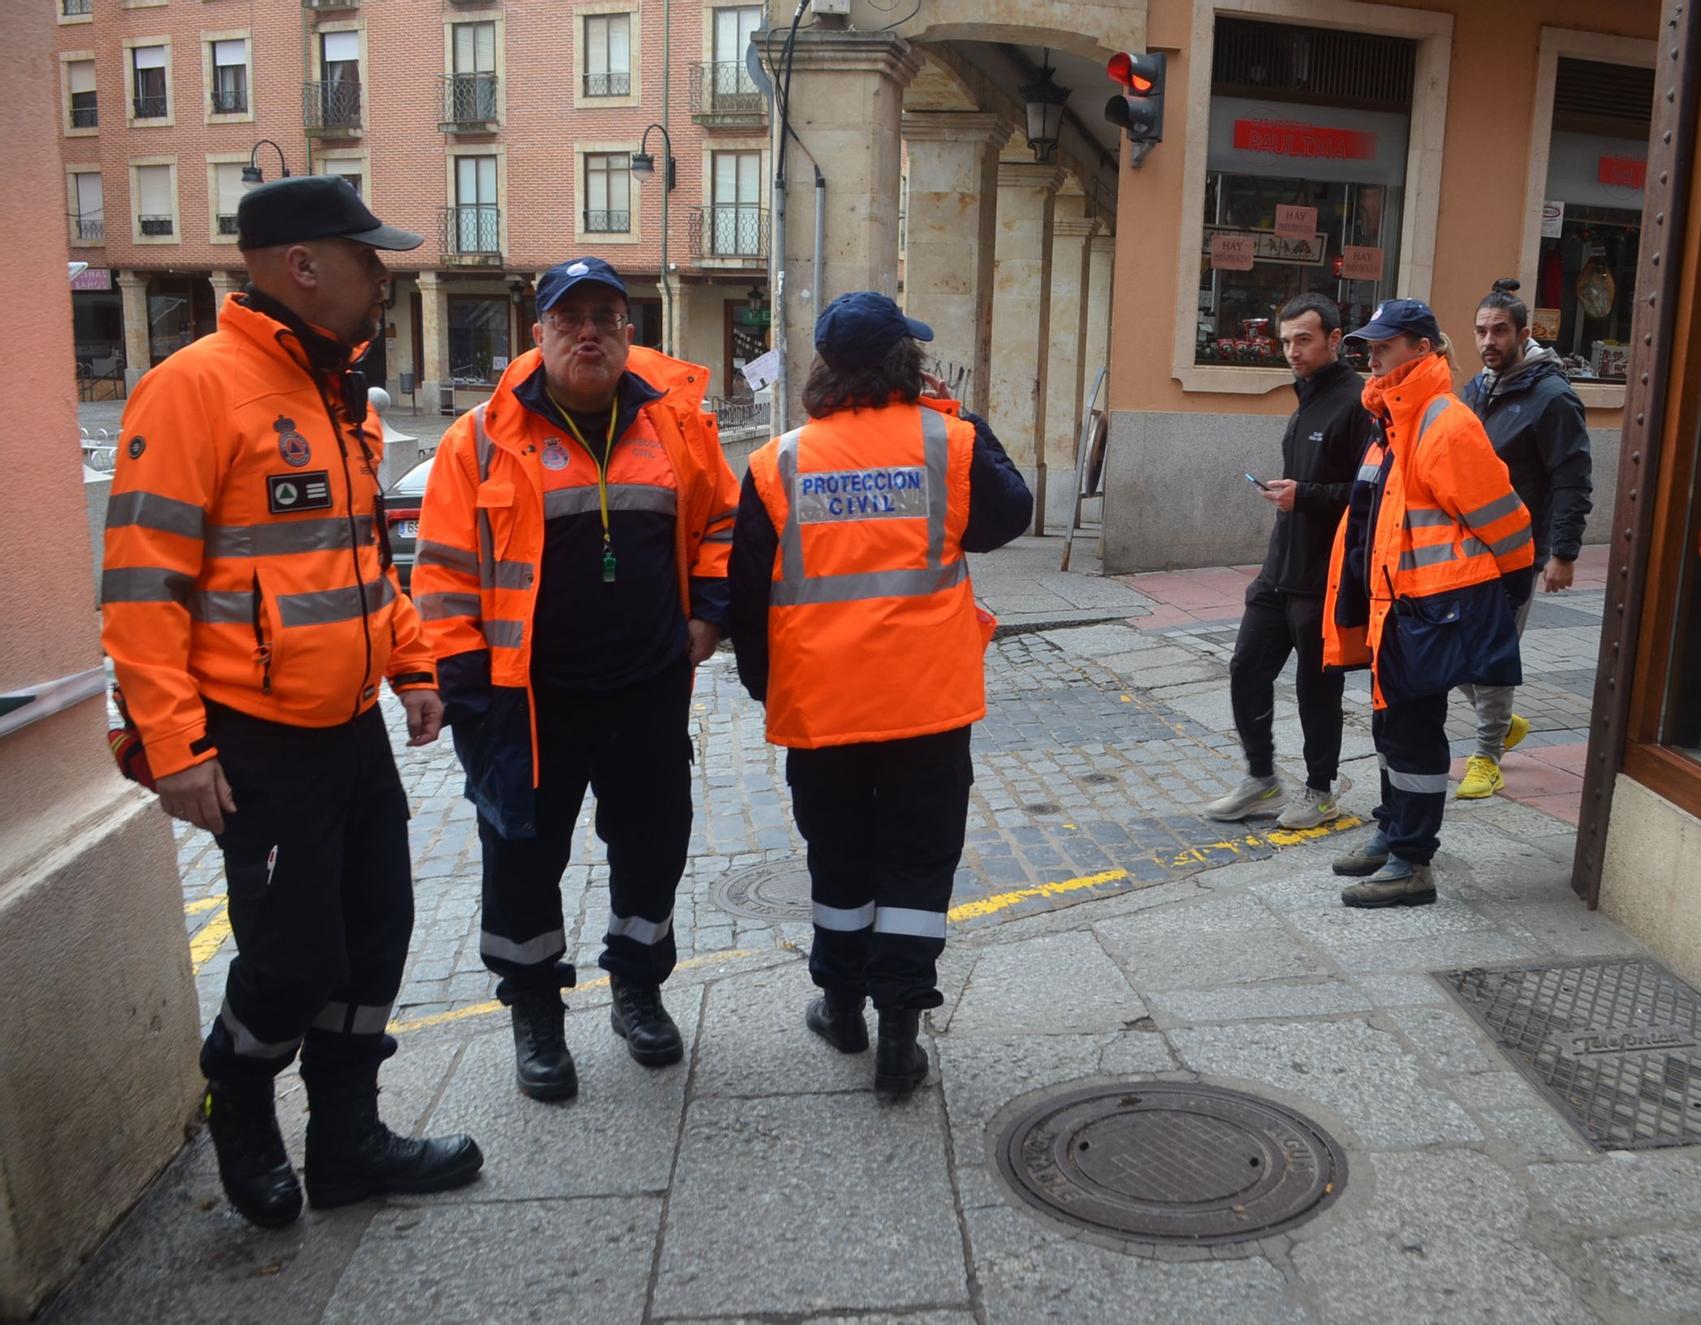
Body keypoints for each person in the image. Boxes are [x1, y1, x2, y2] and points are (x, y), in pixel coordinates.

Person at [100, 175, 482, 1229]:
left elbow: (361, 562)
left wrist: (409, 664)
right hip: (255, 740)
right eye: (369, 259)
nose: (384, 276)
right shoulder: (194, 389)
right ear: (302, 266)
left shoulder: (330, 389)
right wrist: (171, 748)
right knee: (294, 953)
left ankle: (348, 1140)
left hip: (347, 728)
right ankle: (238, 1092)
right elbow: (142, 590)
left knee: (375, 934)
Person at [413, 258, 739, 1102]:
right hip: (525, 701)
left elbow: (723, 524)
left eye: (605, 315)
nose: (588, 331)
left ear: (630, 332)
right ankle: (534, 1011)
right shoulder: (480, 438)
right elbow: (443, 574)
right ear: (540, 333)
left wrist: (709, 609)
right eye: (569, 318)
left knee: (652, 847)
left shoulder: (678, 426)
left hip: (647, 688)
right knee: (520, 859)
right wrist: (457, 688)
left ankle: (637, 985)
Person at [728, 292, 1032, 1095]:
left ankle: (841, 1007)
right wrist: (959, 416)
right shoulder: (948, 442)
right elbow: (1012, 516)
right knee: (916, 860)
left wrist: (770, 689)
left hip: (822, 707)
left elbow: (747, 599)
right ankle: (900, 1029)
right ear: (908, 361)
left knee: (839, 856)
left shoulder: (777, 462)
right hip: (926, 704)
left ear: (827, 370)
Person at [1322, 300, 1536, 908]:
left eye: (1384, 345)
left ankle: (1413, 862)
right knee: (1391, 727)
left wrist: (1508, 592)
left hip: (1428, 612)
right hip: (1397, 610)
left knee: (1414, 734)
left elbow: (1506, 521)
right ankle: (1393, 830)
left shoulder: (1443, 423)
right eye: (1369, 345)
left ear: (1420, 348)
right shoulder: (1392, 420)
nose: (1372, 355)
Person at [1202, 292, 1373, 828]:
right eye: (1285, 341)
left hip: (1324, 576)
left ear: (1334, 341)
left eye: (1304, 340)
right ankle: (1262, 780)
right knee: (1246, 668)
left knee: (1315, 690)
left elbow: (1371, 494)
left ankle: (1319, 791)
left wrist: (1308, 496)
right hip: (1279, 569)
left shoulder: (1358, 402)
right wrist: (1294, 495)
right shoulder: (1305, 396)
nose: (1292, 351)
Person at [1453, 278, 1593, 799]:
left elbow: (1572, 478)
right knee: (1447, 649)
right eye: (1481, 331)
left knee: (1492, 655)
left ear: (1523, 333)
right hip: (1464, 549)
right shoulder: (1478, 388)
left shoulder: (1552, 396)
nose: (1489, 340)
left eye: (1500, 331)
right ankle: (1505, 725)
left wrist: (1563, 553)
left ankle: (1487, 755)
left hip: (1516, 552)